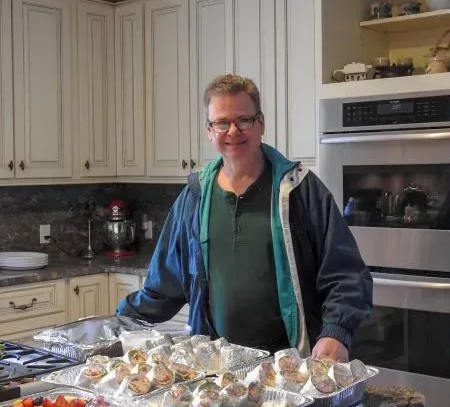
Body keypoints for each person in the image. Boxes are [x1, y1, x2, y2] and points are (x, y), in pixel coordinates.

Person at [117, 74, 373, 362]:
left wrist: (335, 332)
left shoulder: (301, 191)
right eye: (222, 123)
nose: (233, 131)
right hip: (215, 367)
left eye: (244, 120)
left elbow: (346, 274)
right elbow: (164, 284)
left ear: (260, 123)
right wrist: (117, 324)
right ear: (209, 130)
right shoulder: (195, 197)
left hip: (290, 365)